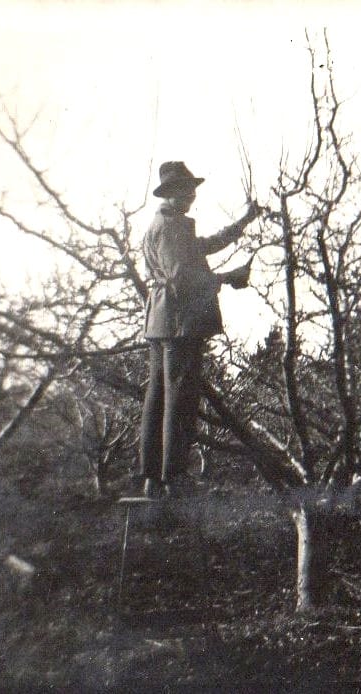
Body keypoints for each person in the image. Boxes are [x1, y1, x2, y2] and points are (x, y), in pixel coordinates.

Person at [139, 161, 260, 497]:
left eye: (192, 190)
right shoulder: (171, 227)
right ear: (173, 194)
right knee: (180, 400)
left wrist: (244, 222)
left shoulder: (165, 224)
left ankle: (154, 479)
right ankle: (173, 478)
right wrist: (226, 278)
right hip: (180, 322)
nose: (192, 196)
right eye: (186, 190)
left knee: (159, 398)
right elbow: (182, 277)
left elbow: (203, 247)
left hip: (162, 320)